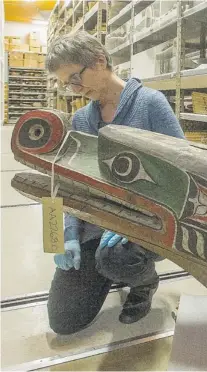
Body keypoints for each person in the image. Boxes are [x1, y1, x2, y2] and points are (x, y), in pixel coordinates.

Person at [45, 31, 185, 334]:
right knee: (64, 321)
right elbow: (69, 185)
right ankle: (105, 266)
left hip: (144, 224)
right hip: (97, 227)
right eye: (66, 83)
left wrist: (129, 219)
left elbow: (182, 174)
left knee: (117, 257)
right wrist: (62, 236)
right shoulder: (82, 120)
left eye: (75, 78)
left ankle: (143, 281)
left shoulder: (150, 105)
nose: (73, 89)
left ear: (99, 61)